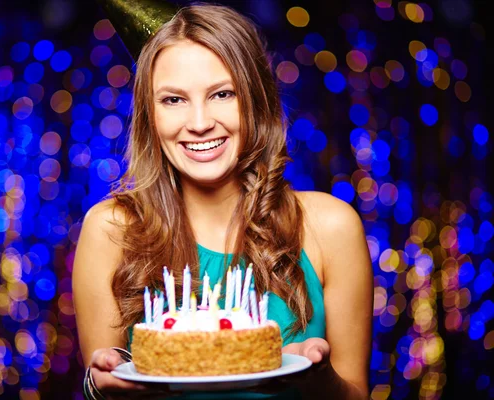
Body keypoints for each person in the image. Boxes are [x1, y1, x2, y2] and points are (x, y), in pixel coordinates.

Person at [73, 3, 373, 399]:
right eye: (173, 100)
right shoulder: (111, 229)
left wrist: (317, 378)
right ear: (149, 114)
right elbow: (101, 380)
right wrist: (101, 385)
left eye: (222, 94)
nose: (199, 123)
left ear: (255, 100)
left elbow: (355, 394)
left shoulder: (330, 226)